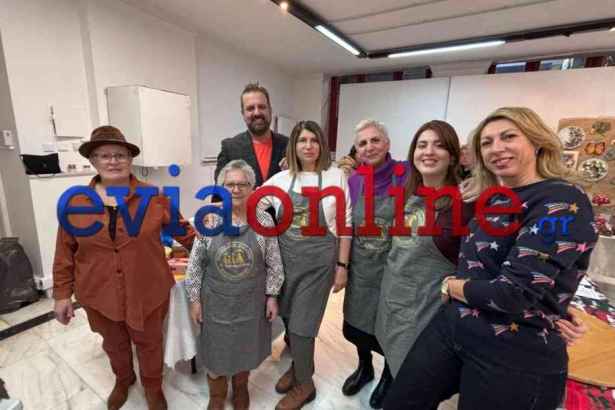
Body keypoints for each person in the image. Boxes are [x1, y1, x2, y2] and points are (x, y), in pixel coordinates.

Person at [383, 107, 598, 410]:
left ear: (536, 142)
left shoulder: (561, 200)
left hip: (514, 348)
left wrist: (449, 286)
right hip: (456, 325)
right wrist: (555, 302)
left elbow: (513, 292)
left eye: (508, 137)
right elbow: (510, 267)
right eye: (487, 142)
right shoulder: (493, 197)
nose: (496, 148)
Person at [52, 126, 196, 410]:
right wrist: (61, 294)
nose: (113, 161)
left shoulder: (154, 197)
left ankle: (153, 388)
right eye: (104, 155)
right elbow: (64, 250)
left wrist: (216, 252)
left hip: (148, 290)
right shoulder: (75, 203)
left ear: (130, 159)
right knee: (113, 343)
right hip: (98, 292)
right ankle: (124, 378)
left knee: (150, 343)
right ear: (93, 161)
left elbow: (185, 233)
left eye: (120, 155)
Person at [260, 120, 352, 410]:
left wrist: (342, 265)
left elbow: (346, 224)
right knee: (289, 318)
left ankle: (305, 384)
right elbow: (255, 208)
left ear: (321, 145)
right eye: (302, 140)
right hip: (286, 263)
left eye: (314, 140)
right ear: (294, 146)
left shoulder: (336, 177)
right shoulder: (279, 180)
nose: (309, 146)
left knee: (302, 327)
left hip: (318, 265)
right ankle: (299, 365)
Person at [375, 120, 473, 380]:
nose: (428, 151)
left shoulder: (463, 205)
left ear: (453, 157)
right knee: (390, 351)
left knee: (413, 374)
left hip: (424, 307)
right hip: (392, 293)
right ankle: (387, 379)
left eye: (438, 146)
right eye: (422, 145)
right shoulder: (407, 194)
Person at [185, 160, 284, 410]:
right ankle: (217, 395)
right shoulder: (208, 220)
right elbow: (195, 264)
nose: (236, 189)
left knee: (245, 349)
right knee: (216, 351)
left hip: (251, 303)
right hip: (216, 302)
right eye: (230, 184)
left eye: (243, 184)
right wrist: (195, 300)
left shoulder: (264, 220)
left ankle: (240, 388)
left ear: (253, 188)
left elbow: (274, 261)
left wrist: (272, 295)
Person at [341, 119, 409, 409]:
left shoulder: (407, 174)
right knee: (357, 325)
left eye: (375, 140)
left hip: (396, 268)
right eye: (362, 143)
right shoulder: (354, 181)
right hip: (362, 267)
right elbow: (346, 223)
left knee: (390, 327)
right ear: (356, 151)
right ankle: (364, 366)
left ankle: (389, 376)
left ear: (387, 143)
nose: (369, 147)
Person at [215, 83, 289, 188]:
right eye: (250, 108)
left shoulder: (289, 145)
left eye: (262, 107)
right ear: (243, 114)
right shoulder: (229, 148)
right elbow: (219, 190)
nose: (257, 113)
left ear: (270, 110)